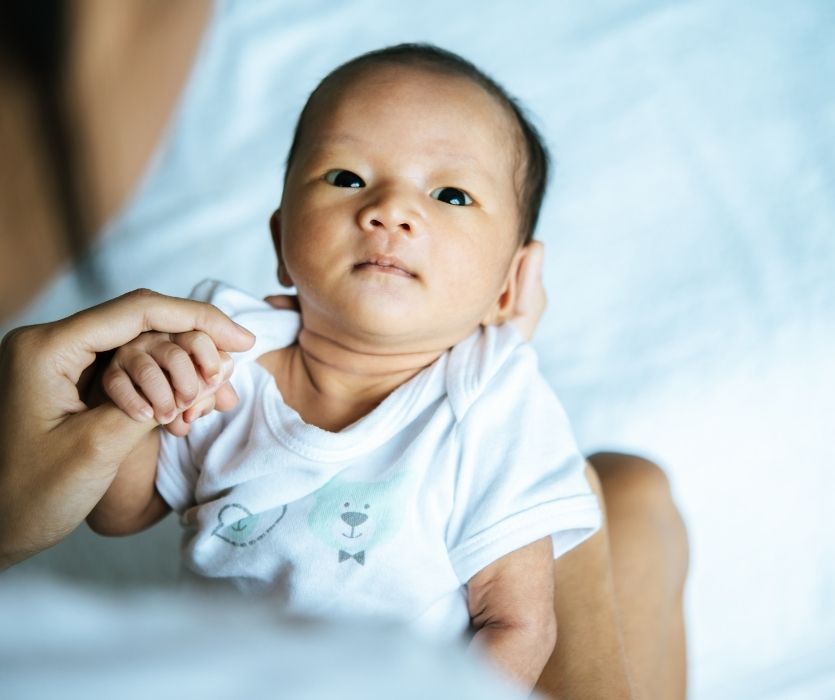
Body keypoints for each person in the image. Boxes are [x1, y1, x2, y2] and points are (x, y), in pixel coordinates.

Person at [0, 4, 688, 696]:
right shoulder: (224, 350)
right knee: (625, 490)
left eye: (450, 194)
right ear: (280, 244)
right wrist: (134, 395)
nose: (390, 209)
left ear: (509, 286)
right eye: (346, 178)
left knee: (630, 485)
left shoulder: (490, 399)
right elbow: (121, 514)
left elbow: (518, 623)